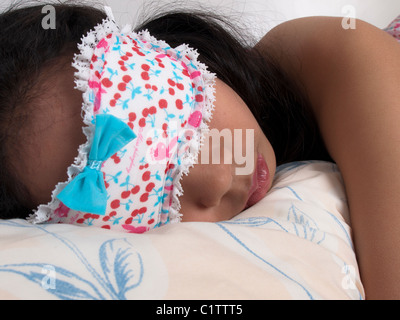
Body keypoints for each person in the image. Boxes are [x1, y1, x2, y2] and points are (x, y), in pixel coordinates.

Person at [0, 1, 399, 299]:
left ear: (160, 49)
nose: (216, 179)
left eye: (166, 112)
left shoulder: (331, 54)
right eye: (139, 196)